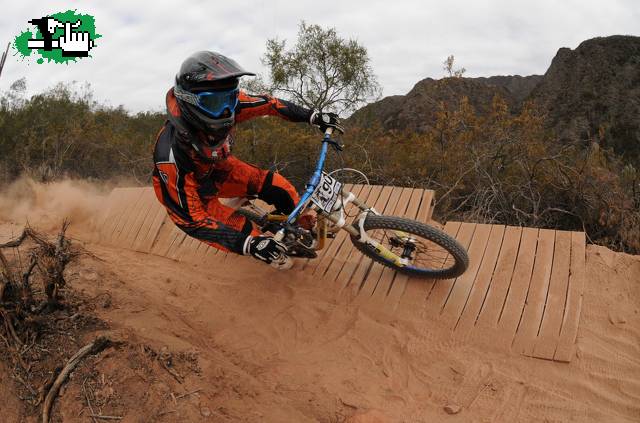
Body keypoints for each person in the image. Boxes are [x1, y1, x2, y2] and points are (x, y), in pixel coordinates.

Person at [152, 51, 344, 268]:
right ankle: (265, 247)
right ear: (190, 101)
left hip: (218, 167)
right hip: (193, 192)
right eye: (215, 103)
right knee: (250, 236)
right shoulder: (170, 154)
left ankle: (289, 229)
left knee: (279, 188)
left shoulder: (233, 105)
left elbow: (271, 104)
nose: (227, 109)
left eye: (230, 98)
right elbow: (191, 220)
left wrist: (313, 116)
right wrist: (250, 244)